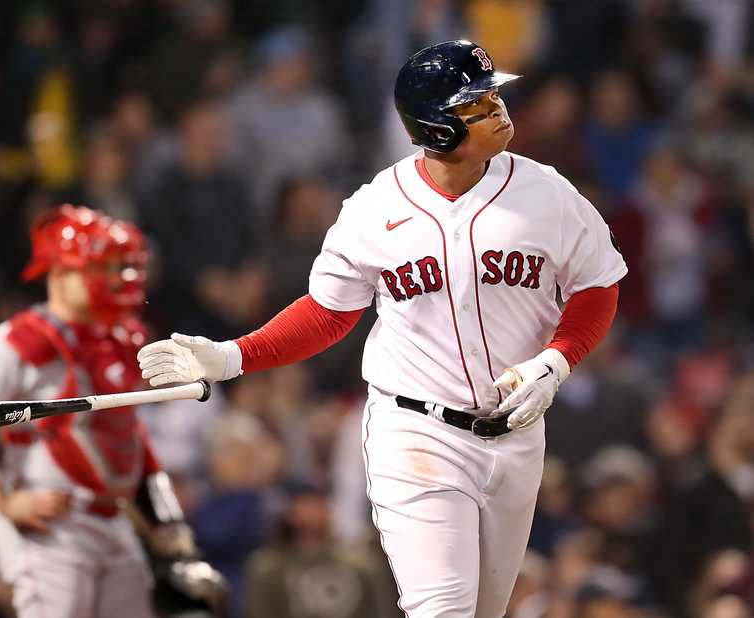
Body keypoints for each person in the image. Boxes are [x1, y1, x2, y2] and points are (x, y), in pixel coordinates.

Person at [139, 40, 627, 617]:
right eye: (476, 101)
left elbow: (599, 285)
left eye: (494, 92)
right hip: (417, 430)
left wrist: (556, 360)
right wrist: (231, 357)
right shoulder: (375, 208)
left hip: (518, 433)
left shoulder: (547, 192)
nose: (497, 106)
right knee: (441, 609)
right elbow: (328, 313)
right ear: (437, 126)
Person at [0, 205, 199, 617]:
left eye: (120, 268)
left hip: (115, 521)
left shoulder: (120, 337)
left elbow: (130, 434)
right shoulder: (26, 337)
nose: (117, 280)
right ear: (60, 273)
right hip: (54, 524)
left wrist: (167, 520)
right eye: (101, 268)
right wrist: (1, 501)